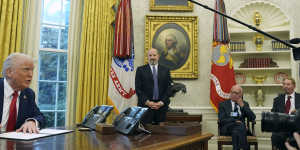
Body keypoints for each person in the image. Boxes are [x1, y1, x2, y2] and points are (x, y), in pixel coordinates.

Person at [0, 53, 45, 133]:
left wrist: (32, 122)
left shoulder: (28, 94)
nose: (31, 74)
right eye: (26, 69)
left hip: (15, 143)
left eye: (32, 70)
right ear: (9, 72)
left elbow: (40, 116)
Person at [135, 48, 172, 124]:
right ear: (147, 57)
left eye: (154, 55)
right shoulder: (140, 70)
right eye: (150, 55)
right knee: (145, 133)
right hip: (145, 107)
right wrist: (148, 102)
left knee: (162, 133)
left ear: (158, 56)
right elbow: (138, 89)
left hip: (161, 107)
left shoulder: (166, 70)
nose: (152, 57)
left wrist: (162, 102)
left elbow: (169, 89)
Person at [218, 84, 256, 150]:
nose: (233, 94)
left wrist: (242, 106)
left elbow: (252, 117)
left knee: (236, 131)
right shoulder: (223, 104)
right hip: (228, 128)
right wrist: (235, 121)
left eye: (236, 93)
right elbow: (221, 120)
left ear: (241, 94)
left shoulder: (245, 104)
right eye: (232, 92)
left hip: (240, 129)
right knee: (240, 126)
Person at [271, 77, 300, 150]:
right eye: (284, 84)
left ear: (294, 86)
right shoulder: (277, 100)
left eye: (288, 84)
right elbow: (273, 114)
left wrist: (297, 112)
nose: (285, 86)